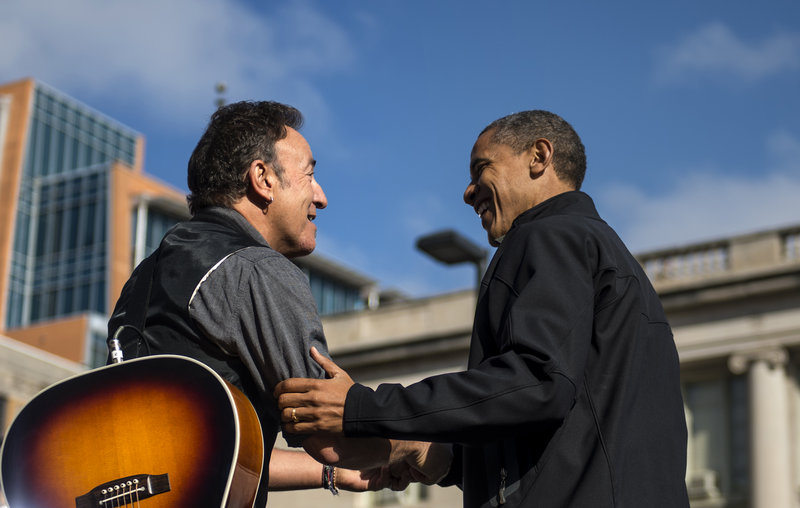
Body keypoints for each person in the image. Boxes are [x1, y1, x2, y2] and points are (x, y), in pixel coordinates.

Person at [275, 110, 690, 507]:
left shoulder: (548, 235)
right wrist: (429, 452)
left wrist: (360, 407)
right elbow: (557, 432)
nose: (468, 192)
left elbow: (536, 383)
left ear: (539, 157)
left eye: (481, 169)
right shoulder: (615, 265)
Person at [108, 101, 442, 506]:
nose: (321, 197)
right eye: (310, 174)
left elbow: (215, 460)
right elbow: (330, 436)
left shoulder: (145, 278)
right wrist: (423, 448)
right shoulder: (255, 269)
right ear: (263, 179)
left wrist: (332, 474)